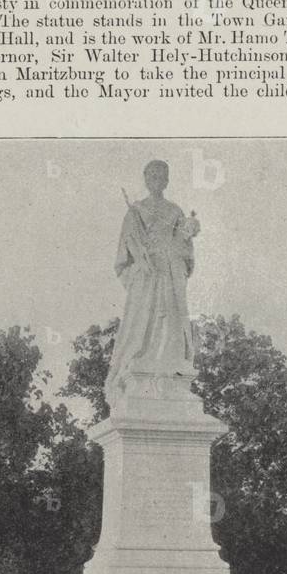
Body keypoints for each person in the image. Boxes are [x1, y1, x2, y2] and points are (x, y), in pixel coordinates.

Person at [104, 159, 200, 407]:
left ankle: (168, 361)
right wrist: (141, 255)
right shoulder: (135, 212)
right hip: (147, 273)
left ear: (167, 180)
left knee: (171, 316)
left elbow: (183, 244)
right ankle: (141, 358)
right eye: (152, 175)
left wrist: (188, 232)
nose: (157, 179)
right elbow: (126, 248)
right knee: (143, 317)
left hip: (169, 270)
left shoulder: (174, 211)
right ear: (146, 179)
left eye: (161, 175)